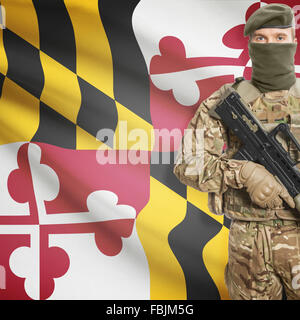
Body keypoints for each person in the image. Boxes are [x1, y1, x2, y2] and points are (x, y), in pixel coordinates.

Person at [173, 3, 300, 300]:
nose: (271, 46)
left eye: (280, 39)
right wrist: (242, 172)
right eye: (261, 39)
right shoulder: (227, 101)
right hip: (247, 245)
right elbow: (187, 164)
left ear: (293, 42)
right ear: (251, 44)